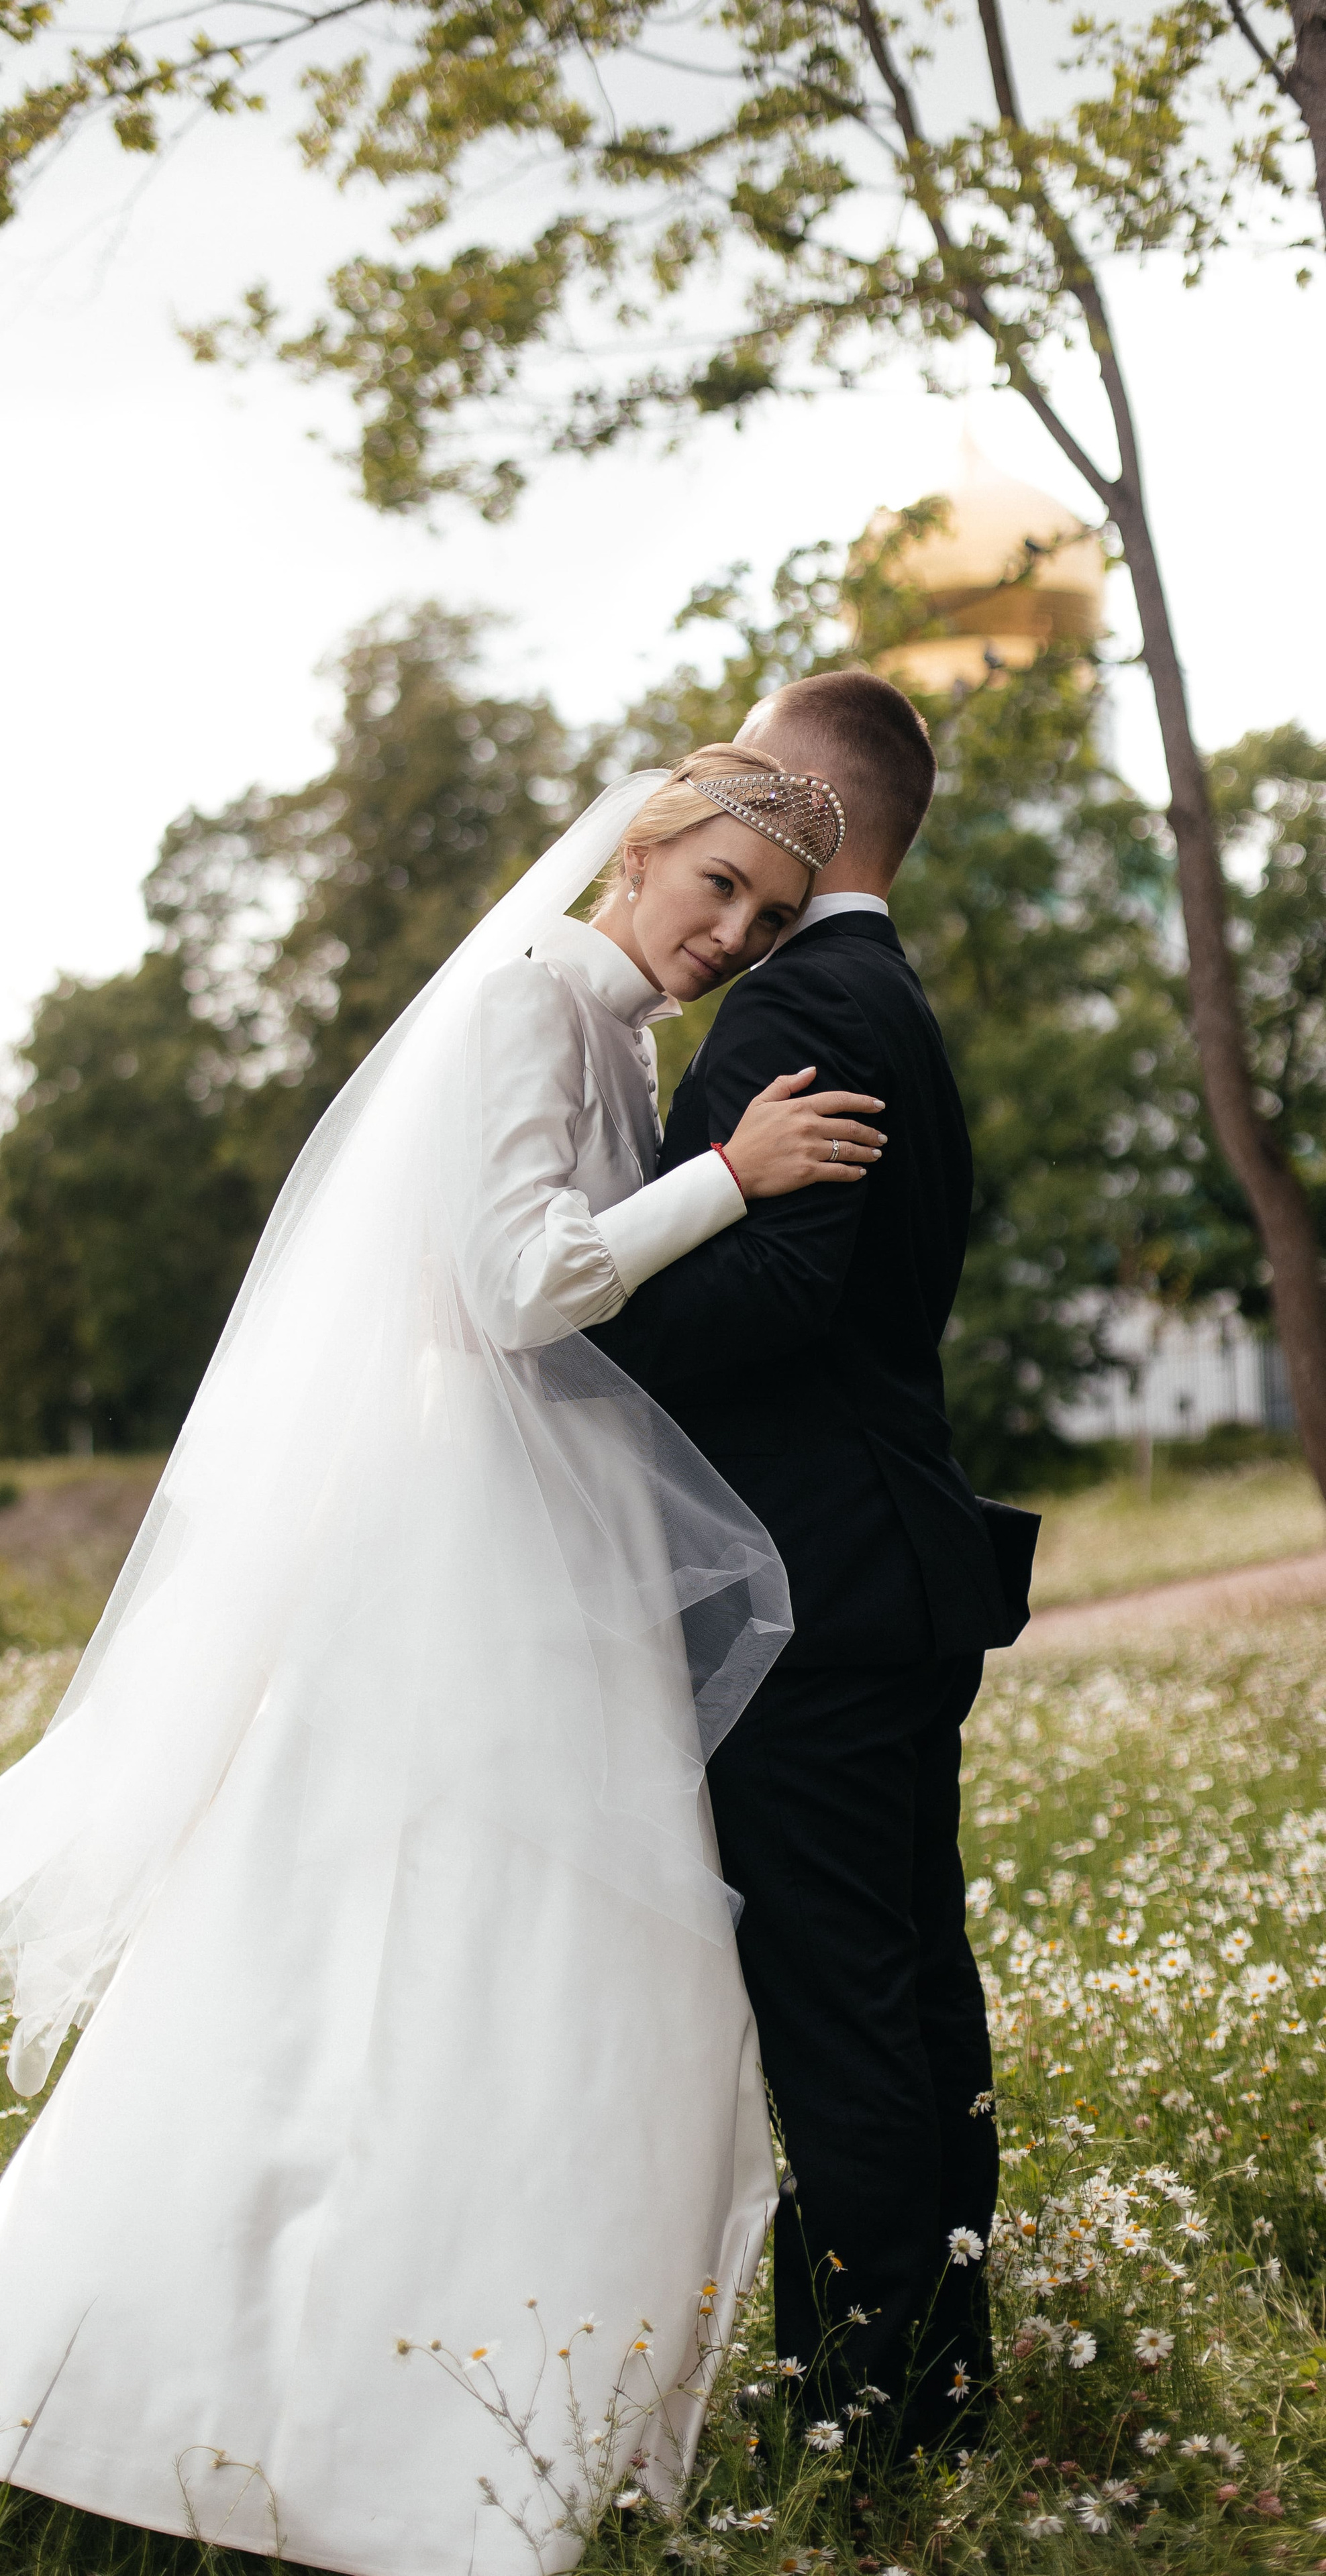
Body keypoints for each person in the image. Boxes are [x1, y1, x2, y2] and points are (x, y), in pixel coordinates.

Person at [0, 749, 884, 2576]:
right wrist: (729, 1178)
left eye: (770, 915)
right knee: (407, 1935)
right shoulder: (523, 1004)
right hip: (473, 1534)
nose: (731, 932)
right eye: (713, 883)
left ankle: (498, 2400)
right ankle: (230, 2401)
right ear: (636, 853)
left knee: (522, 1954)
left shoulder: (605, 1025)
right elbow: (513, 1288)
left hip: (542, 1521)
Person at [590, 673, 1039, 2453]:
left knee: (853, 2013)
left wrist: (550, 1330)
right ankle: (940, 2378)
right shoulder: (883, 992)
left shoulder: (808, 1000)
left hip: (816, 1599)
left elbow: (782, 1290)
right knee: (916, 1991)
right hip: (889, 1572)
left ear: (809, 802)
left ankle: (890, 2433)